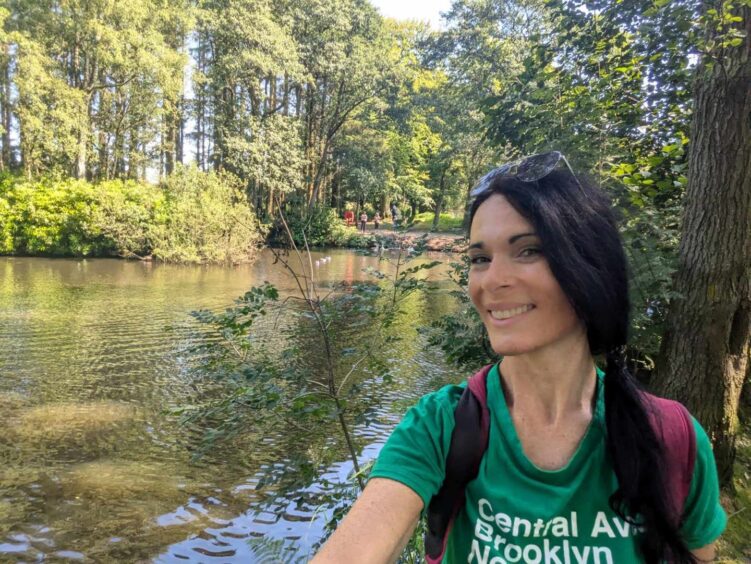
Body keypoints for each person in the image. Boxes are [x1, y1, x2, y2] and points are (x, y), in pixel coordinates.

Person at [313, 152, 726, 563]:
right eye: (480, 259)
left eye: (528, 251)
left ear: (590, 266)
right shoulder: (441, 426)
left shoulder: (671, 437)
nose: (492, 280)